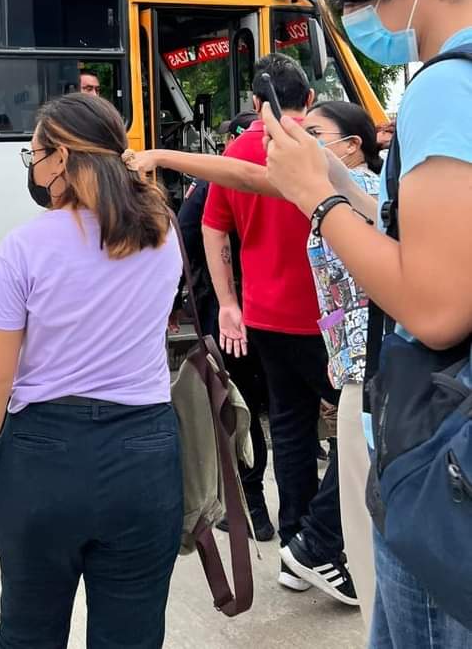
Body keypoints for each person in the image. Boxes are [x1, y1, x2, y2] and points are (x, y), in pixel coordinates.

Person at [262, 0, 472, 648]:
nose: (358, 21)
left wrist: (316, 202)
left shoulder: (445, 88)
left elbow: (438, 305)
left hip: (441, 447)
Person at [0, 94, 183, 649]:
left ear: (60, 159)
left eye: (33, 153)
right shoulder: (161, 232)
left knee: (30, 631)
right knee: (132, 635)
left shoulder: (24, 247)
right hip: (145, 454)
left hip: (43, 458)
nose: (32, 167)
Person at [202, 55, 357, 605]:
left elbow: (211, 226)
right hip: (327, 322)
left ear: (255, 105)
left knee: (290, 427)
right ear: (309, 99)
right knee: (362, 426)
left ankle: (297, 543)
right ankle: (318, 542)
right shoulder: (313, 151)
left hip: (264, 318)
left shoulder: (237, 153)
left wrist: (227, 303)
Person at [175, 112, 274, 542]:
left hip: (231, 309)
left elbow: (183, 234)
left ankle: (250, 504)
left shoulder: (217, 180)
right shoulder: (300, 166)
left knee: (242, 408)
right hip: (256, 310)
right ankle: (258, 507)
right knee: (262, 410)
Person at [303, 100, 383, 630]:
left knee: (364, 524)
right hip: (353, 364)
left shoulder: (368, 196)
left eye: (315, 133)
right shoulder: (332, 196)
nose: (303, 141)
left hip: (368, 372)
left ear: (351, 144)